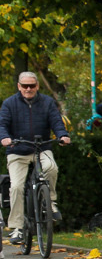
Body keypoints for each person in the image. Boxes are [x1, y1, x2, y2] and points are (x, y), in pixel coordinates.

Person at [0, 71, 71, 243]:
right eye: (25, 86)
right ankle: (17, 227)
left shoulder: (47, 102)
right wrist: (4, 138)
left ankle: (50, 202)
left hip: (41, 148)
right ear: (19, 86)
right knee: (16, 186)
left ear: (37, 86)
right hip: (17, 150)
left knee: (51, 167)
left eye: (32, 85)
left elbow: (56, 121)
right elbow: (2, 124)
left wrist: (62, 135)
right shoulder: (9, 103)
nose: (28, 89)